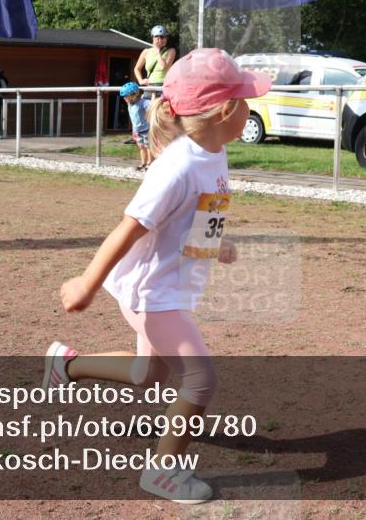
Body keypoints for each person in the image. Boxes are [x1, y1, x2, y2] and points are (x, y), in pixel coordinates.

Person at [52, 48, 271, 504]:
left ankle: (65, 365)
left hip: (166, 288)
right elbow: (129, 227)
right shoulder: (176, 168)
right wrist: (86, 284)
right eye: (246, 99)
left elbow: (198, 215)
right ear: (228, 109)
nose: (252, 107)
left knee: (146, 372)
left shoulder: (213, 152)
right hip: (152, 294)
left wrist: (217, 244)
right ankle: (163, 472)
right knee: (201, 378)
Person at [134, 25, 177, 98]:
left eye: (163, 37)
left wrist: (158, 51)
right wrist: (140, 80)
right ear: (153, 38)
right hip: (149, 86)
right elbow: (137, 69)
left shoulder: (171, 51)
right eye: (157, 37)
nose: (161, 39)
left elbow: (163, 67)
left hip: (163, 87)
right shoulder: (146, 52)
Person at [120, 81, 151, 171]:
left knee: (148, 146)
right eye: (124, 96)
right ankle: (143, 163)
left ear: (134, 95)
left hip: (146, 129)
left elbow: (152, 105)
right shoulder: (130, 103)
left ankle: (150, 163)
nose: (124, 98)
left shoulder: (143, 102)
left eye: (126, 96)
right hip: (137, 130)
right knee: (141, 147)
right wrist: (134, 132)